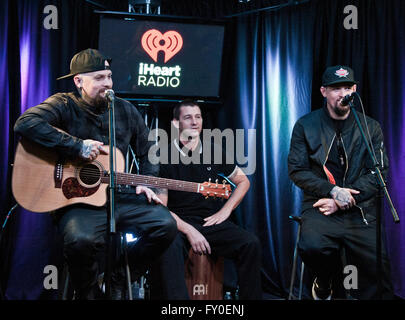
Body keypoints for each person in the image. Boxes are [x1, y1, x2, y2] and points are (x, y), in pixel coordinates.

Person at [14, 48, 177, 299]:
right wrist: (76, 146)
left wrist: (147, 182)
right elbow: (25, 123)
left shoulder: (124, 110)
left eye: (109, 76)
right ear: (79, 81)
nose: (108, 84)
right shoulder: (64, 104)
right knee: (81, 240)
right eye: (99, 78)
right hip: (76, 200)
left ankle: (119, 280)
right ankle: (89, 292)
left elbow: (149, 150)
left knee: (165, 225)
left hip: (118, 196)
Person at [288, 65, 394, 300]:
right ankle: (325, 282)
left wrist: (347, 199)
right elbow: (297, 171)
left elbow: (378, 173)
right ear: (324, 91)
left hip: (360, 210)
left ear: (354, 90)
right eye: (336, 88)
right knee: (312, 246)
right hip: (321, 205)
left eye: (347, 87)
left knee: (379, 270)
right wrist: (333, 191)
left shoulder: (371, 126)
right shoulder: (306, 125)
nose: (342, 93)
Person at [150, 100, 262, 300]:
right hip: (179, 224)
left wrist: (225, 211)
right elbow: (161, 209)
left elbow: (243, 182)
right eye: (188, 117)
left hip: (211, 222)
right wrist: (189, 230)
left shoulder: (214, 150)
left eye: (198, 117)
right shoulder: (162, 155)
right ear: (176, 123)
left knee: (250, 244)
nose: (194, 122)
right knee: (168, 246)